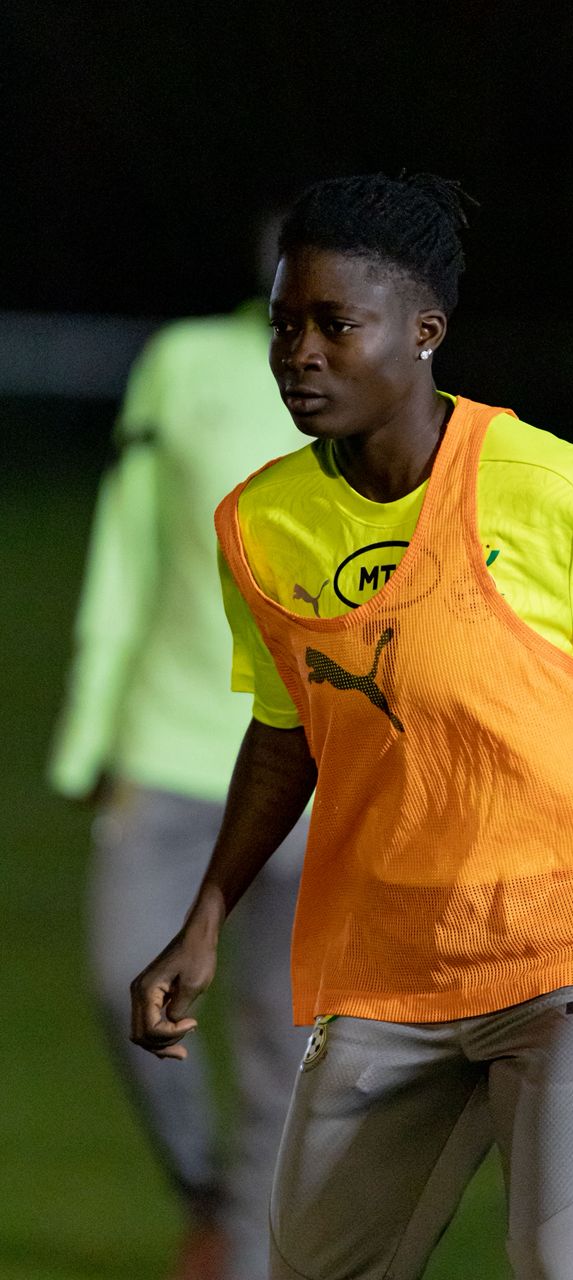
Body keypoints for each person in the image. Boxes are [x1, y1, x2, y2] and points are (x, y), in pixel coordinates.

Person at [130, 172, 573, 1280]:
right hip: (389, 970)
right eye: (284, 324)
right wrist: (207, 914)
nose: (299, 353)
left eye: (334, 323)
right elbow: (287, 729)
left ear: (423, 331)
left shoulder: (556, 487)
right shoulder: (262, 523)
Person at [48, 290, 312, 1280]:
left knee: (279, 1042)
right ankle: (207, 1188)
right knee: (129, 983)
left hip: (313, 772)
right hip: (168, 750)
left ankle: (241, 1250)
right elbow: (128, 546)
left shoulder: (395, 388)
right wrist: (91, 732)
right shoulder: (186, 360)